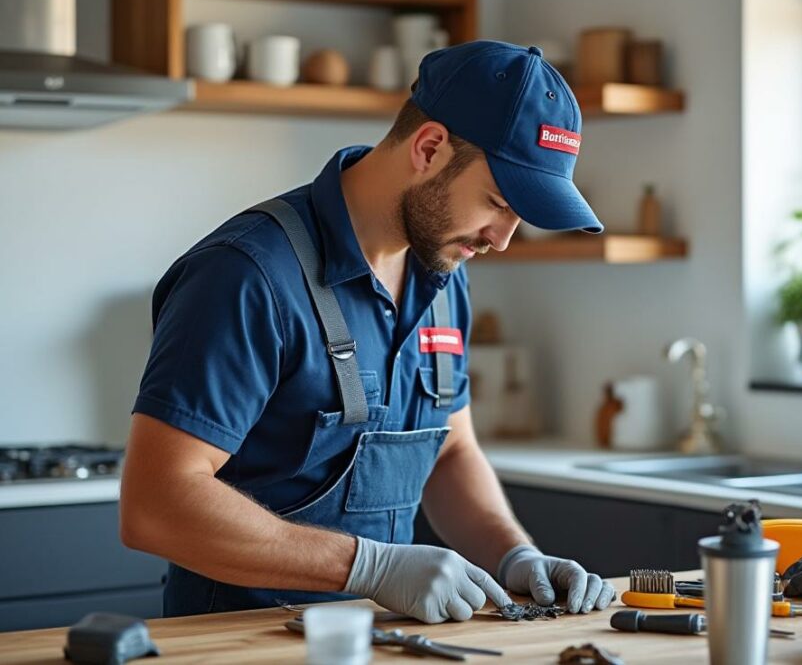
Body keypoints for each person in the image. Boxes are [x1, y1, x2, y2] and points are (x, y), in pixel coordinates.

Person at [119, 40, 615, 623]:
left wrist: (514, 554)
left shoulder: (443, 275)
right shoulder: (246, 276)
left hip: (381, 642)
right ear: (429, 148)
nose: (501, 240)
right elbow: (154, 503)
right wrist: (369, 567)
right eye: (497, 203)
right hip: (239, 642)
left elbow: (451, 451)